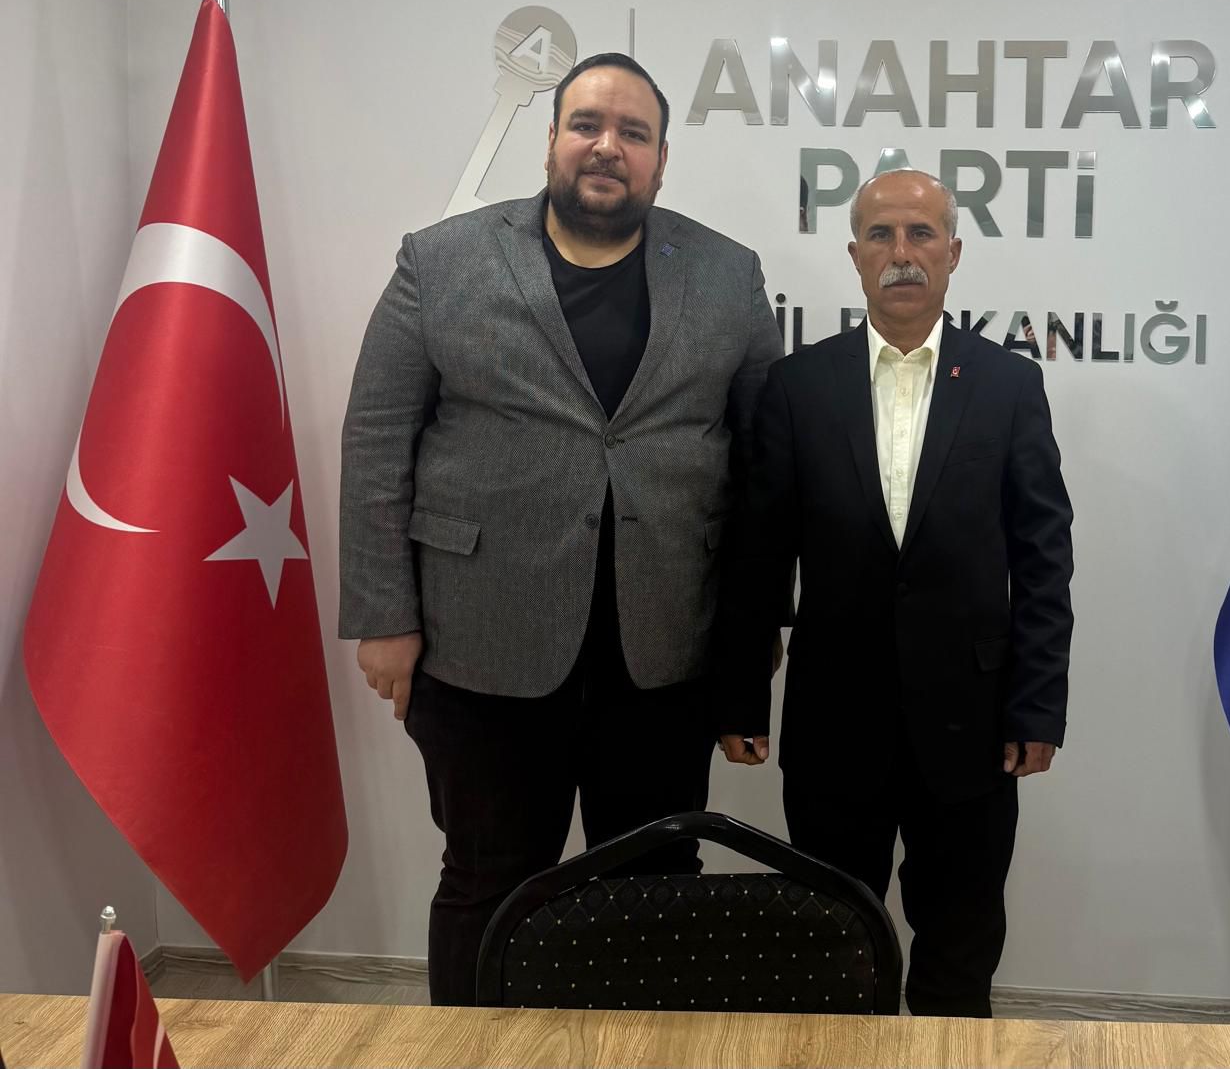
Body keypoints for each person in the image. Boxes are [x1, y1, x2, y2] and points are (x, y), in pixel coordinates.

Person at [340, 51, 782, 1004]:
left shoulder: (729, 275)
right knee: (488, 881)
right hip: (480, 647)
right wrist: (384, 614)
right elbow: (377, 439)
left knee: (654, 887)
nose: (607, 146)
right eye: (587, 124)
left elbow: (762, 471)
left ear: (662, 159)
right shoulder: (440, 259)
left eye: (633, 132)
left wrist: (748, 659)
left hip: (662, 655)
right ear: (550, 140)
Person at [717, 168, 1075, 1019]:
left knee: (958, 960)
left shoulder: (1009, 385)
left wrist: (1037, 706)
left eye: (922, 234)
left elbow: (1043, 557)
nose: (902, 253)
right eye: (881, 234)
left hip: (973, 729)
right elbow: (758, 555)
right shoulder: (798, 386)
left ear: (954, 252)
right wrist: (739, 695)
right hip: (834, 725)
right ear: (855, 255)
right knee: (832, 958)